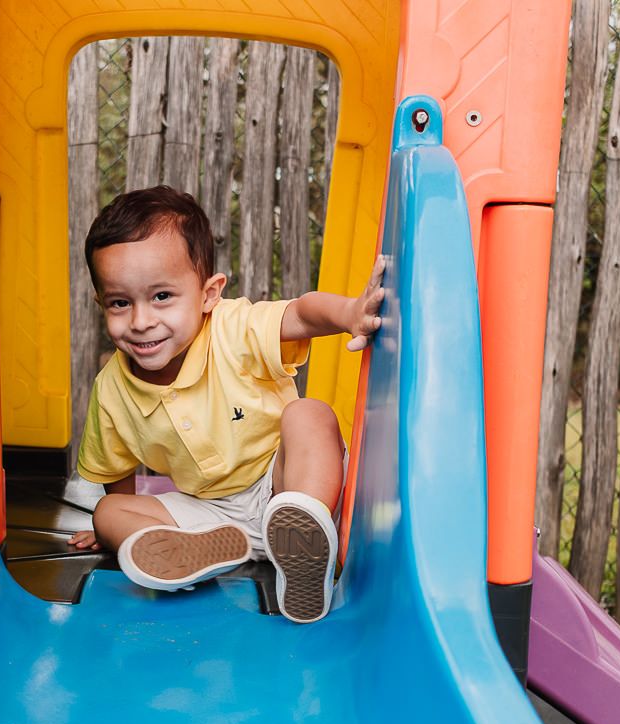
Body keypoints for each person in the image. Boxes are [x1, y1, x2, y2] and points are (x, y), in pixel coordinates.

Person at [69, 185, 385, 623]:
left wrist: (350, 313)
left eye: (162, 296)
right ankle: (191, 555)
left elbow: (300, 313)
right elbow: (116, 474)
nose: (141, 321)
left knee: (308, 413)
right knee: (107, 512)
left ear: (208, 293)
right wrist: (120, 532)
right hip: (212, 515)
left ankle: (307, 531)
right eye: (121, 303)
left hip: (283, 483)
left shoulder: (233, 328)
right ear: (102, 303)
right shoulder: (111, 390)